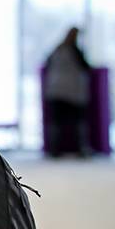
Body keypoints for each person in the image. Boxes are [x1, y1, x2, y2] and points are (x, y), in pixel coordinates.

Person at [43, 26, 92, 157]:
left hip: (55, 90)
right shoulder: (75, 51)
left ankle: (54, 151)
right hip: (72, 92)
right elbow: (86, 67)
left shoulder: (57, 50)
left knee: (56, 123)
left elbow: (47, 65)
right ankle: (80, 149)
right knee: (78, 123)